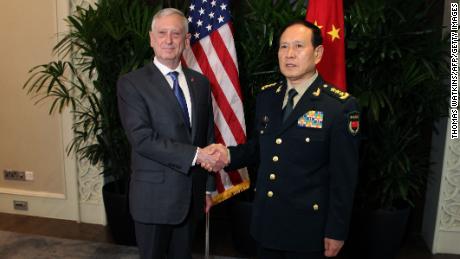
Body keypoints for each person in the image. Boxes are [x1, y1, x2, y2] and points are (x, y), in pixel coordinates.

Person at [205, 20, 360, 258]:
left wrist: (337, 231)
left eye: (299, 46)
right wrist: (228, 155)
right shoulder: (268, 97)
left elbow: (344, 178)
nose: (289, 54)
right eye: (283, 46)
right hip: (267, 224)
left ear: (317, 53)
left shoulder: (339, 107)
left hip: (309, 230)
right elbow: (260, 148)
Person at [117, 8, 225, 259]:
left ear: (186, 41)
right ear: (151, 38)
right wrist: (197, 155)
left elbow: (206, 136)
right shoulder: (132, 83)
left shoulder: (200, 83)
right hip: (153, 199)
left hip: (191, 197)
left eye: (176, 34)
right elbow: (142, 139)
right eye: (162, 33)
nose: (168, 40)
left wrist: (208, 188)